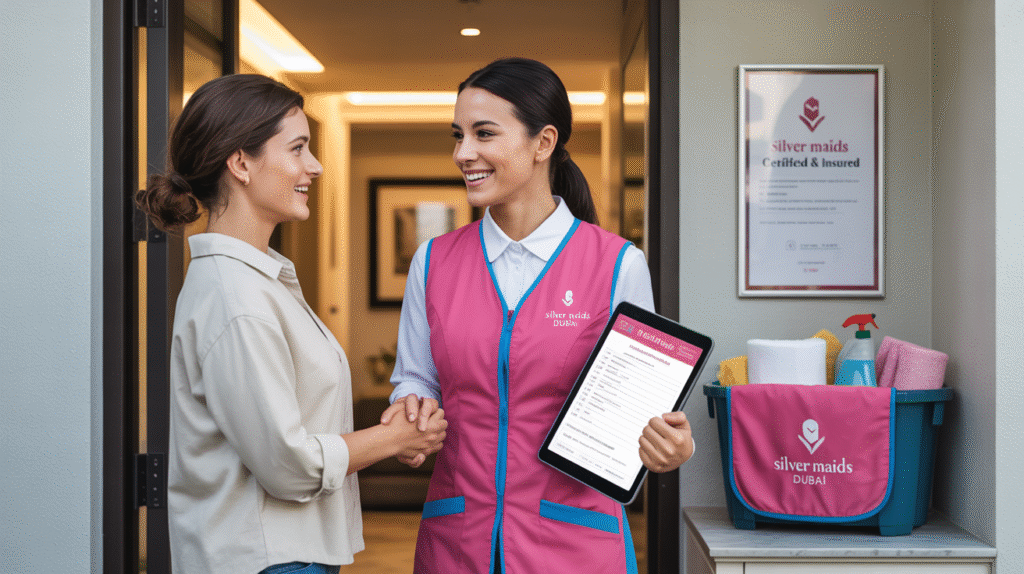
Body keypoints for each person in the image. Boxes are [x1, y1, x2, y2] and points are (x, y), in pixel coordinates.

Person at [380, 58, 694, 574]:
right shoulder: (433, 262)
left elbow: (645, 410)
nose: (464, 153)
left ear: (543, 143)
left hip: (575, 542)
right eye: (458, 135)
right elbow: (416, 378)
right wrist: (409, 415)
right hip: (459, 542)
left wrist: (668, 443)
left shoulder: (617, 265)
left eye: (484, 134)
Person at [135, 73, 447, 574]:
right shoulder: (236, 298)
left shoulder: (257, 281)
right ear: (240, 163)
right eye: (298, 148)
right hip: (264, 562)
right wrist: (394, 440)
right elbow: (286, 464)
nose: (315, 166)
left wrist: (396, 434)